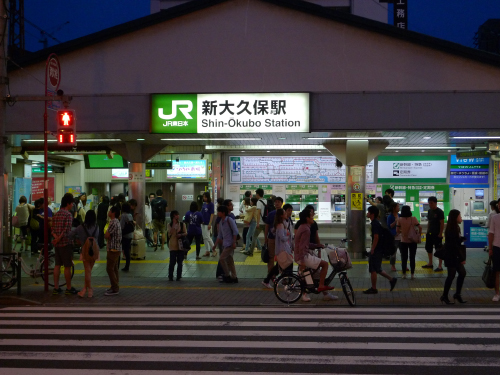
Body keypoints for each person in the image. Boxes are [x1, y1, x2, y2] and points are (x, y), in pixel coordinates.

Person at [294, 208, 333, 296]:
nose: (313, 217)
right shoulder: (306, 229)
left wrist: (317, 245)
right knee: (325, 264)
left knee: (310, 273)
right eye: (311, 216)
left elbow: (305, 244)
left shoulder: (303, 226)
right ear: (307, 218)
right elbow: (302, 247)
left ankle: (314, 289)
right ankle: (321, 285)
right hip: (303, 256)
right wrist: (303, 261)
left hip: (300, 255)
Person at [363, 206, 397, 294]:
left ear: (372, 214)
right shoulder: (377, 222)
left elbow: (376, 237)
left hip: (377, 249)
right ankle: (391, 279)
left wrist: (372, 249)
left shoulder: (375, 223)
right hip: (379, 249)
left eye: (368, 212)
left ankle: (374, 288)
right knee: (377, 269)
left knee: (373, 269)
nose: (367, 213)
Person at [51, 193, 79, 295]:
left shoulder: (56, 214)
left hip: (57, 245)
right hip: (65, 244)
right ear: (67, 203)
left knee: (57, 265)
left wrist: (55, 239)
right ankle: (68, 287)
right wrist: (59, 239)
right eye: (71, 203)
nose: (72, 205)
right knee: (67, 266)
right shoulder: (68, 215)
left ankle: (56, 287)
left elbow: (52, 229)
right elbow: (66, 231)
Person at [68, 210, 100, 298]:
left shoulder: (80, 227)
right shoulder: (97, 227)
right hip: (94, 251)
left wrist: (78, 239)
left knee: (87, 271)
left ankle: (89, 290)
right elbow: (97, 238)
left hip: (85, 251)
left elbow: (70, 235)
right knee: (89, 271)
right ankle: (84, 289)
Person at [441, 209, 467, 304]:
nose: (461, 218)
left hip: (452, 255)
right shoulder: (452, 229)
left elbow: (455, 242)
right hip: (452, 256)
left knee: (461, 273)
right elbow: (454, 245)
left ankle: (456, 294)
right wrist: (462, 258)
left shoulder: (454, 227)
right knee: (452, 275)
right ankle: (445, 295)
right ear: (455, 217)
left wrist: (461, 239)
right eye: (460, 216)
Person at [262, 208, 293, 288]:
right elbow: (281, 237)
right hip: (282, 249)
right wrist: (288, 236)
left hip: (284, 248)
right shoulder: (280, 225)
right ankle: (288, 282)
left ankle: (267, 280)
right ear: (281, 215)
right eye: (285, 213)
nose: (287, 214)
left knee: (278, 266)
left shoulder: (282, 224)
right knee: (289, 263)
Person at [212, 205, 239, 283]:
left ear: (223, 213)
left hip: (230, 244)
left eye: (219, 211)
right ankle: (234, 277)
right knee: (230, 261)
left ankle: (227, 275)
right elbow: (220, 235)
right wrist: (215, 245)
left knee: (222, 259)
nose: (217, 213)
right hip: (225, 244)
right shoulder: (221, 222)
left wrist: (234, 242)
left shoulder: (229, 220)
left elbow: (235, 231)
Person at [397, 205, 422, 280]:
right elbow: (420, 227)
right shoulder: (413, 218)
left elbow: (397, 231)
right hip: (412, 241)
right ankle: (412, 274)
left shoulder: (400, 219)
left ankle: (404, 274)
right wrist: (418, 234)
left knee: (404, 258)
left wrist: (403, 232)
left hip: (403, 241)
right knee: (412, 257)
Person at [423, 196, 445, 271]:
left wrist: (440, 233)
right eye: (429, 203)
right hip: (430, 233)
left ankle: (440, 266)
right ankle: (430, 263)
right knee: (429, 248)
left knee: (438, 249)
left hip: (437, 234)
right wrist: (427, 231)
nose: (430, 204)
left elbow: (442, 224)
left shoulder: (440, 212)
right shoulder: (429, 211)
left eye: (431, 203)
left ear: (435, 203)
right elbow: (429, 222)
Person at [105, 205, 122, 296]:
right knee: (114, 268)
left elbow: (106, 235)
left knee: (109, 268)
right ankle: (115, 286)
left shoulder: (113, 222)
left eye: (110, 210)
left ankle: (115, 288)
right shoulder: (117, 221)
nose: (108, 212)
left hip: (113, 249)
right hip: (117, 248)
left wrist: (107, 235)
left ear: (113, 212)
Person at [264, 197, 284, 274]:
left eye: (278, 202)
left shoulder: (284, 213)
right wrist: (266, 237)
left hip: (281, 239)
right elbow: (267, 226)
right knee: (271, 257)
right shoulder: (271, 214)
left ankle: (282, 274)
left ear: (282, 203)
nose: (277, 203)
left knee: (281, 257)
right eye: (275, 202)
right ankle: (271, 274)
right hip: (271, 238)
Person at [167, 210, 188, 281]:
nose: (178, 216)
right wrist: (173, 225)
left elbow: (186, 233)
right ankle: (170, 276)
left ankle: (179, 276)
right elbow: (169, 234)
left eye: (178, 215)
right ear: (173, 216)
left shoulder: (182, 224)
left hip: (180, 246)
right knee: (172, 262)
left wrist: (181, 234)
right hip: (173, 246)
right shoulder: (169, 225)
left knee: (180, 262)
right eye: (176, 215)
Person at [488, 207, 500, 302]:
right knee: (497, 272)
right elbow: (491, 233)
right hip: (497, 247)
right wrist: (490, 248)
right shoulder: (495, 217)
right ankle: (497, 293)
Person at [387, 202, 401, 272]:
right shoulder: (390, 216)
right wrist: (395, 221)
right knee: (393, 252)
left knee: (403, 252)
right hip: (394, 236)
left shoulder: (399, 215)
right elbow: (389, 226)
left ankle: (403, 265)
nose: (399, 208)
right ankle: (393, 265)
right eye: (397, 207)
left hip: (400, 236)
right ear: (394, 208)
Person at [120, 203, 134, 272]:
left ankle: (126, 267)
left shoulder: (123, 215)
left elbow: (121, 226)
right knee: (127, 250)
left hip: (125, 235)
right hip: (130, 234)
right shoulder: (130, 215)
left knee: (124, 250)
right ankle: (127, 265)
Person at [201, 192, 215, 256]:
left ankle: (214, 249)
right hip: (203, 222)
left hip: (207, 223)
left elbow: (212, 214)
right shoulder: (203, 204)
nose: (204, 198)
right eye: (203, 197)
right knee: (204, 237)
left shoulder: (211, 204)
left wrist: (210, 223)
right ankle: (207, 250)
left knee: (207, 237)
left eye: (205, 197)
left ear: (208, 197)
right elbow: (202, 213)